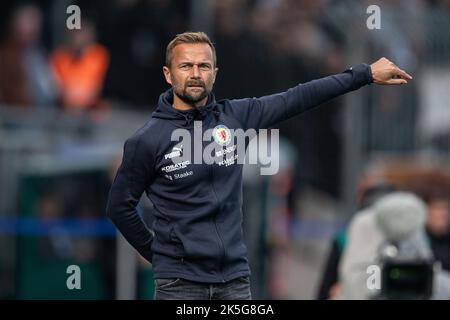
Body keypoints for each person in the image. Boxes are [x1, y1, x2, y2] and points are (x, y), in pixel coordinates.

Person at [106, 32, 412, 300]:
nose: (196, 73)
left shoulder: (237, 117)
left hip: (234, 281)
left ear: (215, 73)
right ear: (168, 74)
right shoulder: (147, 140)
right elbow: (119, 206)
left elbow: (300, 96)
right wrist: (158, 254)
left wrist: (365, 74)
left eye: (204, 66)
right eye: (186, 66)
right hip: (180, 285)